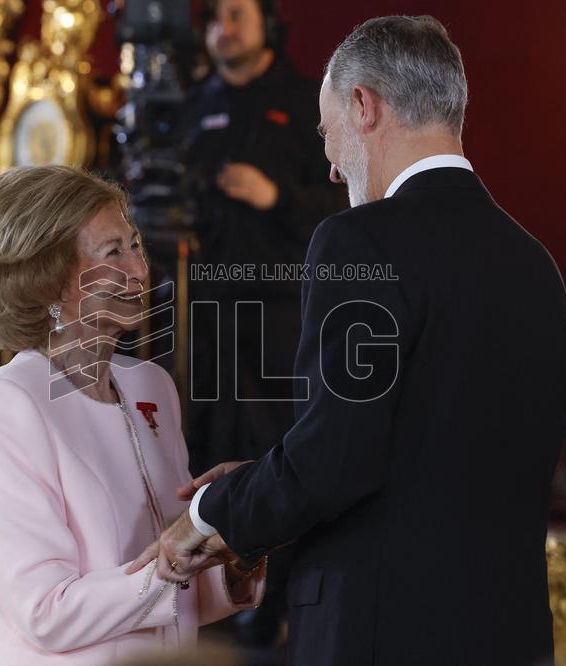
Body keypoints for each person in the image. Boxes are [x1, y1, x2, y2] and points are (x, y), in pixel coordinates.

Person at [130, 15, 566, 665]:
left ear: (364, 106)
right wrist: (266, 474)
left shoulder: (359, 241)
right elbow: (422, 444)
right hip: (510, 635)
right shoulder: (534, 261)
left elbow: (335, 459)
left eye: (326, 132)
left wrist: (209, 512)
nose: (333, 168)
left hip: (381, 633)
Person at [0, 165, 266, 665]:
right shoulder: (6, 403)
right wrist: (168, 567)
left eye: (135, 245)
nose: (139, 271)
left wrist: (236, 541)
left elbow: (174, 597)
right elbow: (45, 611)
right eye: (112, 252)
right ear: (48, 281)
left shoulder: (152, 387)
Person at [184, 0, 348, 475]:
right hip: (199, 314)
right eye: (214, 18)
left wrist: (275, 196)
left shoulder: (308, 103)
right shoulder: (186, 108)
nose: (224, 28)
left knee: (279, 452)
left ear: (269, 25)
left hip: (281, 314)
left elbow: (347, 202)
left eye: (237, 15)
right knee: (196, 448)